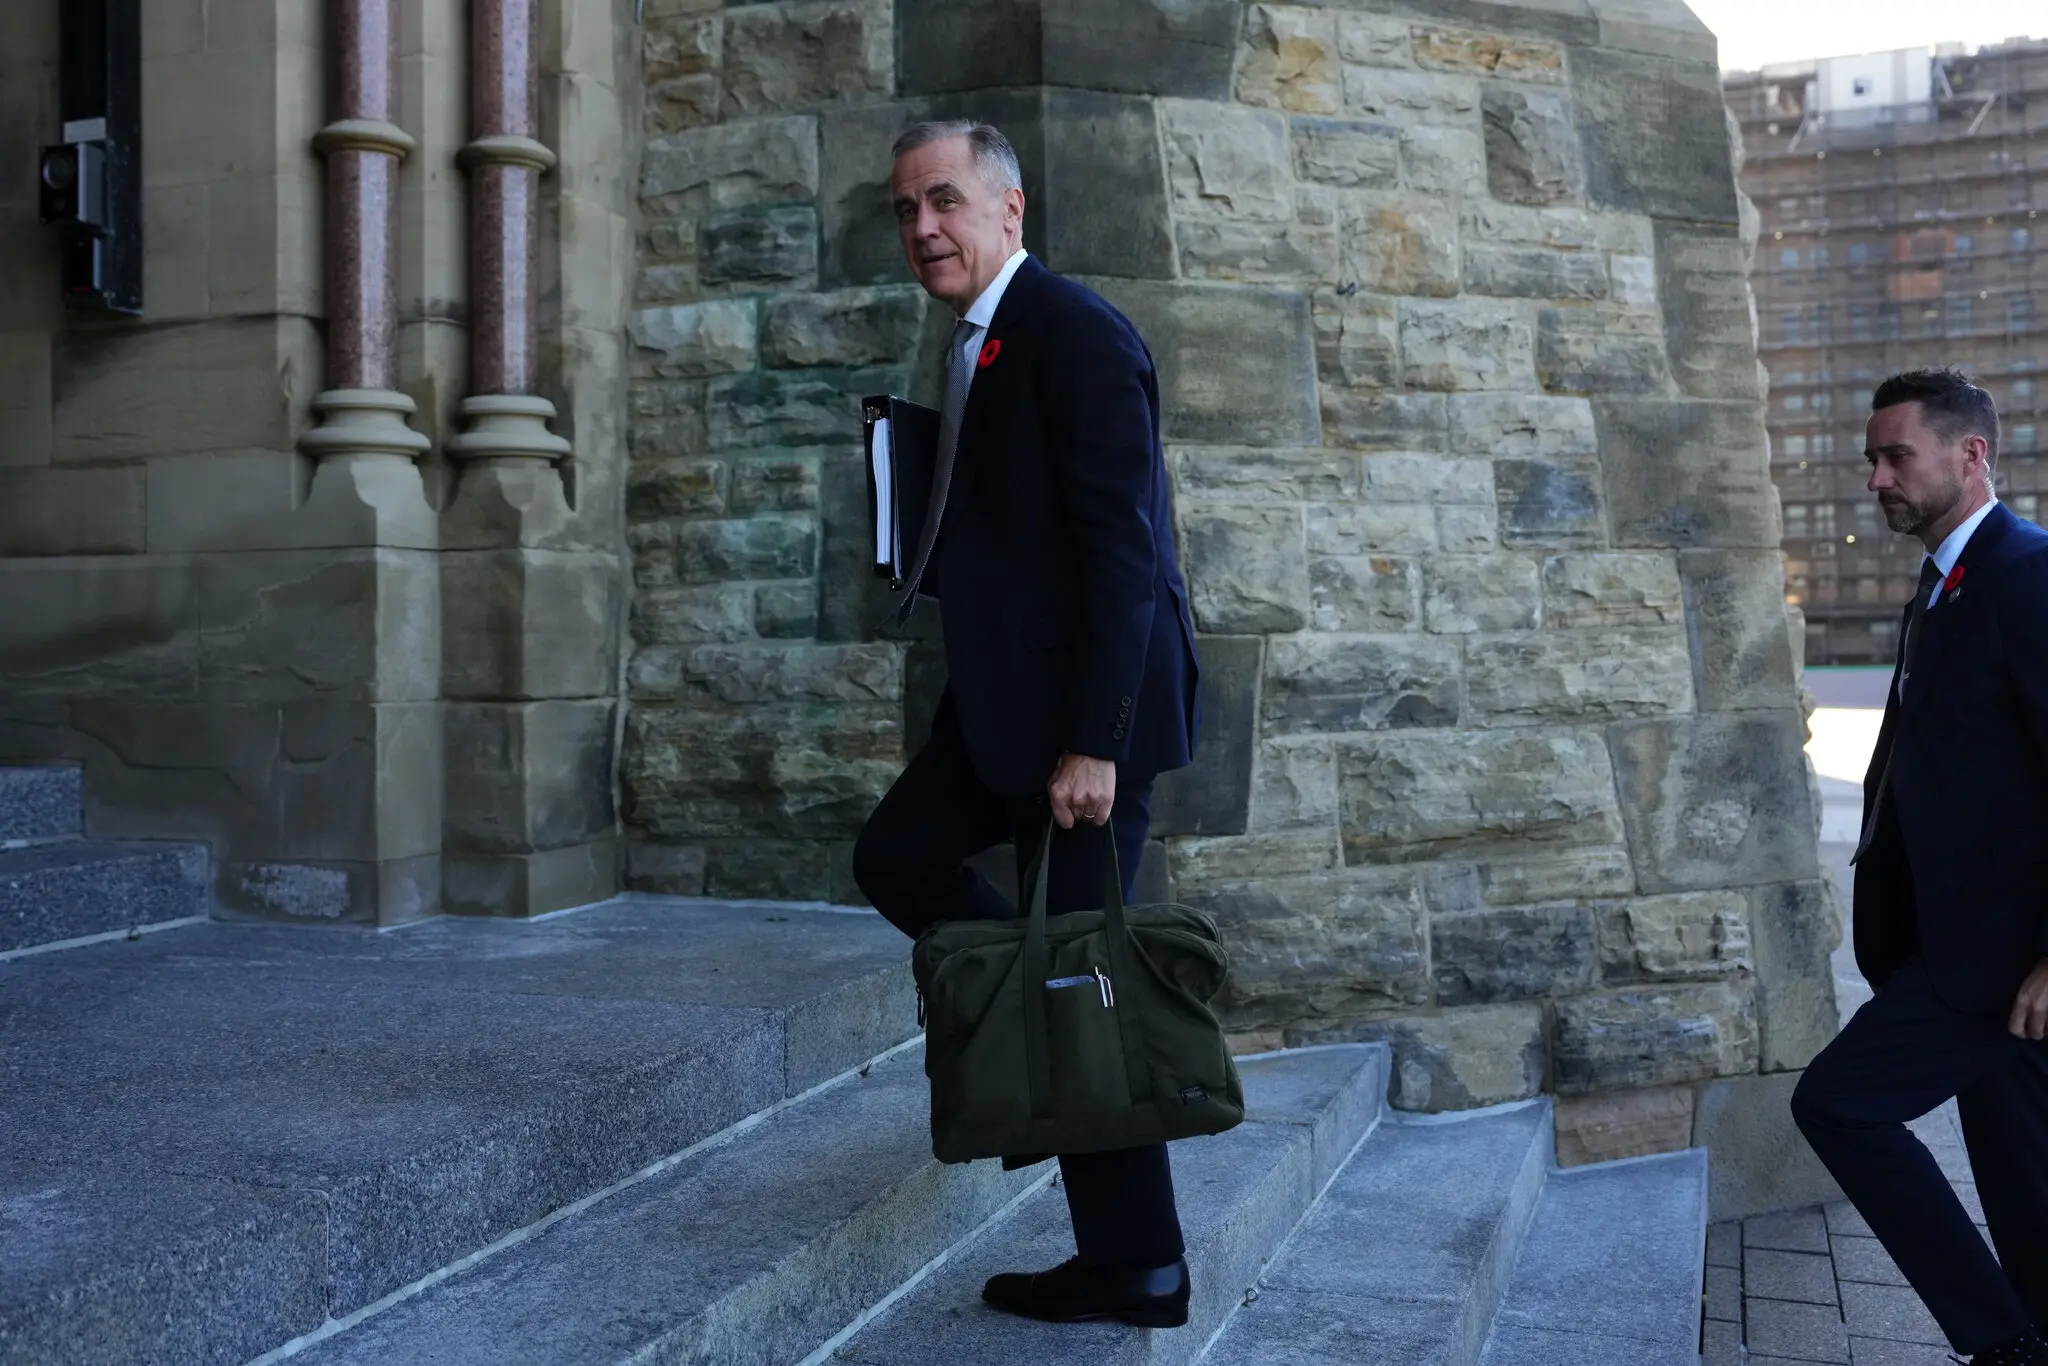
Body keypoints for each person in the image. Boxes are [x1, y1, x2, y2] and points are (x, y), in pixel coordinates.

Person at [849, 119, 1202, 1328]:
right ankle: (1029, 991)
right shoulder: (978, 338)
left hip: (1078, 722)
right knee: (896, 858)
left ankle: (1139, 1262)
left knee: (1079, 983)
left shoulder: (1076, 333)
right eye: (903, 211)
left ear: (1010, 207)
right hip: (1002, 706)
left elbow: (1124, 552)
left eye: (942, 201)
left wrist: (1096, 739)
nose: (921, 229)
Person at [1790, 368, 2048, 1366]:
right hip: (1946, 941)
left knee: (1838, 1104)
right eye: (1870, 458)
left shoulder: (2024, 577)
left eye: (1894, 454)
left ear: (1968, 454)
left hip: (1992, 954)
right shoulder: (1939, 584)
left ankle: (1997, 1344)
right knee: (2023, 1175)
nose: (1874, 478)